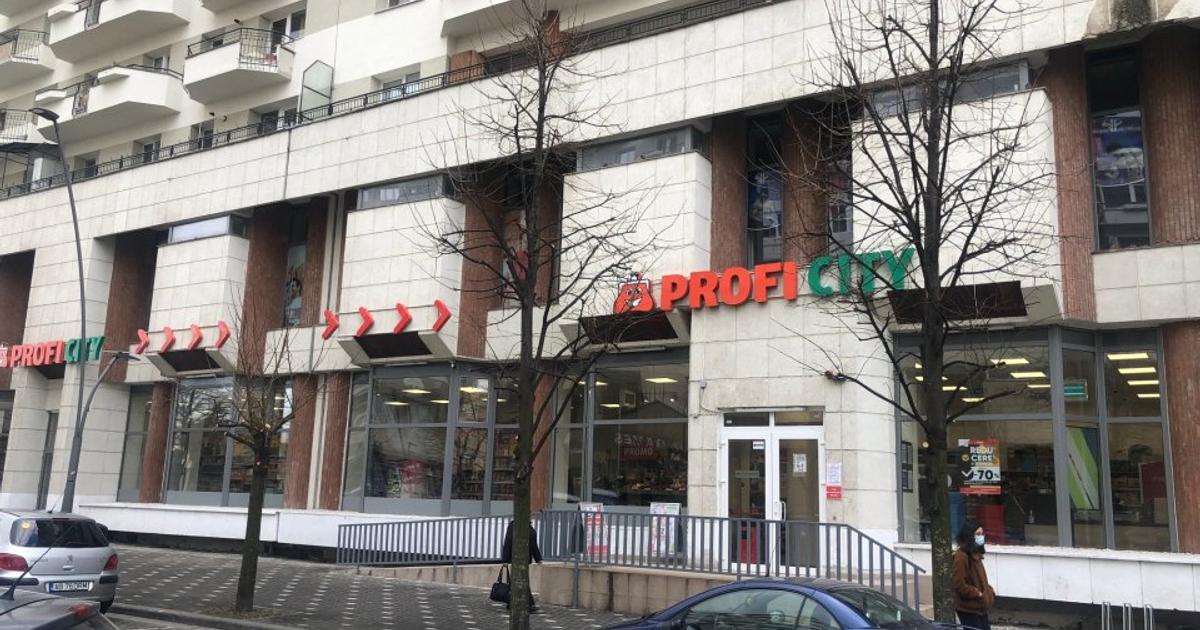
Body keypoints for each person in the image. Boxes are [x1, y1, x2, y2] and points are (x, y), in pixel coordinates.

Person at [953, 521, 996, 630]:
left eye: (982, 534)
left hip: (980, 606)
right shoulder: (961, 556)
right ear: (969, 536)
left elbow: (981, 580)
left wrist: (988, 591)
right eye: (978, 534)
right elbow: (959, 584)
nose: (981, 537)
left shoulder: (975, 554)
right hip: (968, 607)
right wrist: (977, 593)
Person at [501, 519, 543, 613]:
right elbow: (508, 542)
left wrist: (538, 558)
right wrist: (505, 559)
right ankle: (529, 604)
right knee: (522, 581)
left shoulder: (529, 527)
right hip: (517, 558)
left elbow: (533, 544)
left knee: (517, 582)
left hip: (525, 558)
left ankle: (511, 603)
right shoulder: (514, 526)